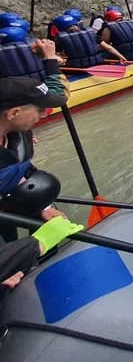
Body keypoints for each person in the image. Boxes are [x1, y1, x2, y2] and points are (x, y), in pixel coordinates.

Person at [0, 72, 69, 241]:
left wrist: (44, 207)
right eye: (40, 110)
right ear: (14, 113)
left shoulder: (17, 134)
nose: (44, 115)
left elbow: (23, 176)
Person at [52, 14, 127, 65]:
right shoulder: (90, 33)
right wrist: (121, 57)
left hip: (77, 67)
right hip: (97, 63)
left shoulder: (61, 38)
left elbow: (58, 57)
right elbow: (108, 47)